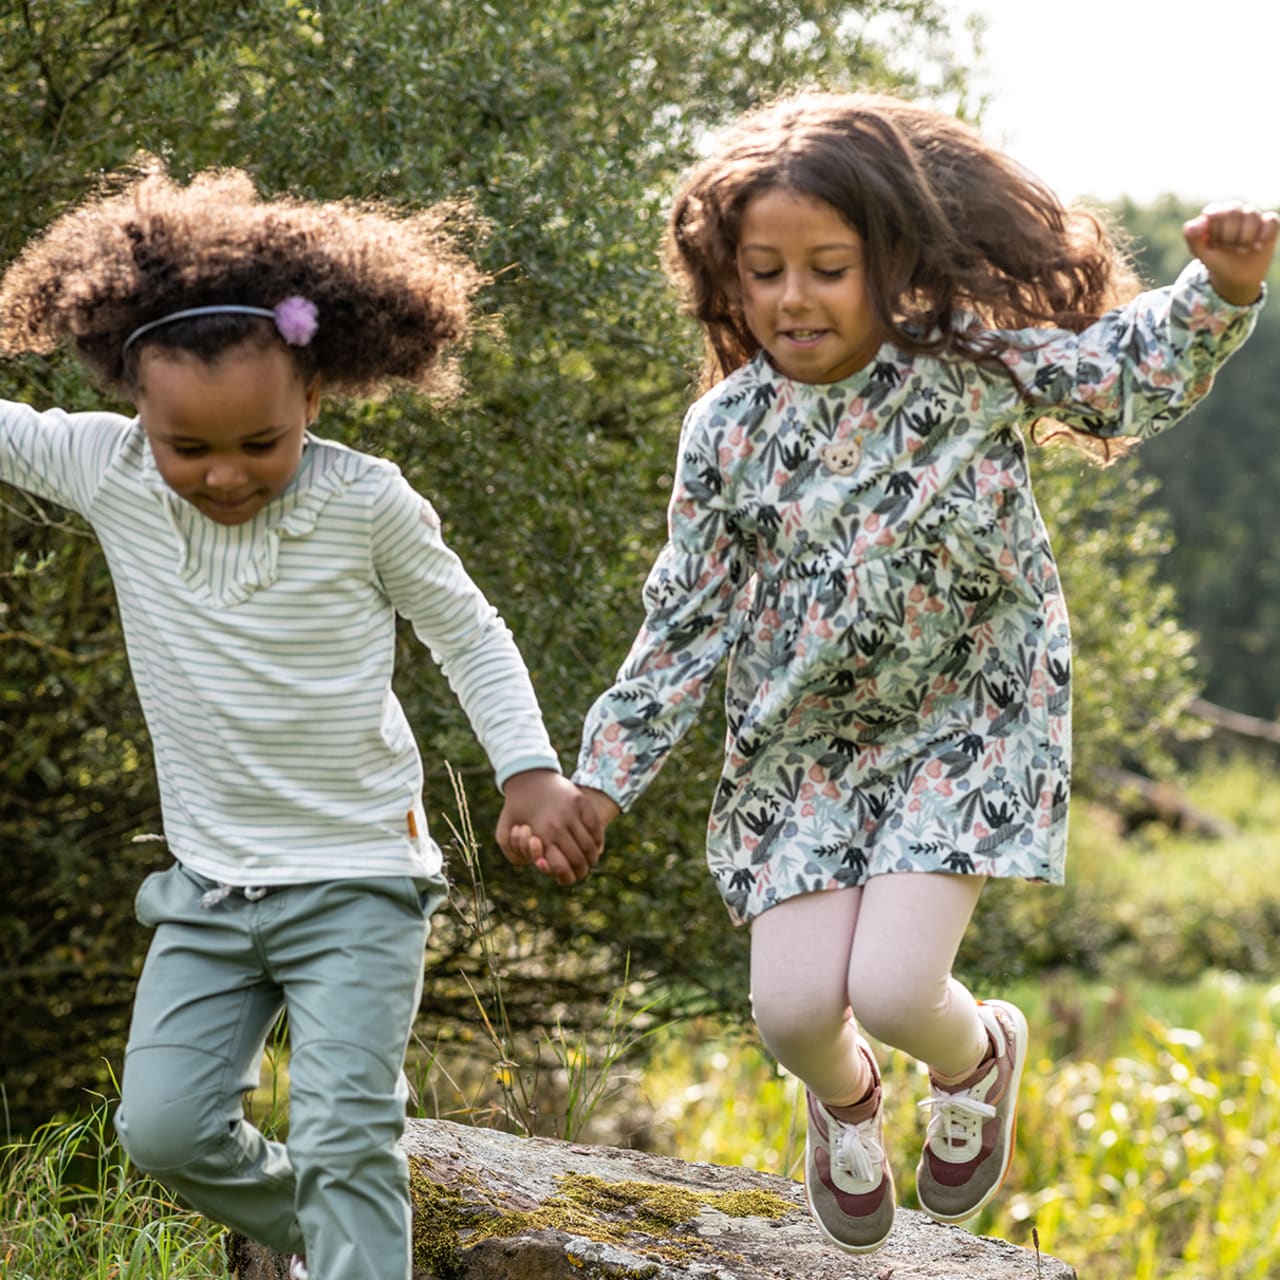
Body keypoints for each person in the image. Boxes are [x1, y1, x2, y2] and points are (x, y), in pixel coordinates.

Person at [504, 91, 1275, 1254]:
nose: (792, 296)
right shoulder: (724, 430)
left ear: (889, 264)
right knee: (795, 1012)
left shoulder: (962, 366)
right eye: (763, 272)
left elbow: (1119, 374)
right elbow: (683, 619)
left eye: (825, 266)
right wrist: (597, 781)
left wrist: (1217, 291)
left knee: (902, 984)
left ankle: (975, 1059)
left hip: (970, 718)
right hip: (799, 750)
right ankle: (847, 1098)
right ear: (729, 280)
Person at [0, 160, 603, 1280]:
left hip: (359, 879)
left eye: (258, 444)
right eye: (191, 448)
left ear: (314, 397)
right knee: (163, 1130)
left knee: (344, 1134)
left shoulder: (363, 502)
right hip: (208, 887)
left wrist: (530, 771)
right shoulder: (105, 467)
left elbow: (467, 631)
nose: (226, 474)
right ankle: (354, 1235)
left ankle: (354, 1236)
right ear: (137, 407)